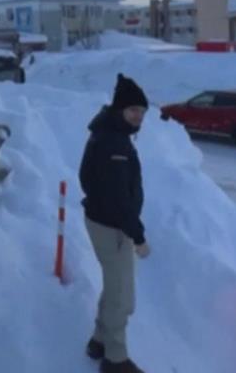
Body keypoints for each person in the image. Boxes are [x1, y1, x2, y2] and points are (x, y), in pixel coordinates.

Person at [80, 73, 151, 373]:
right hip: (113, 228)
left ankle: (99, 340)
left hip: (103, 221)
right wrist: (138, 236)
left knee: (114, 287)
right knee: (122, 296)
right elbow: (119, 199)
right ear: (120, 109)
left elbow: (89, 179)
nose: (138, 117)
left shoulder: (109, 133)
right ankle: (115, 358)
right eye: (133, 110)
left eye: (142, 112)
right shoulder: (114, 143)